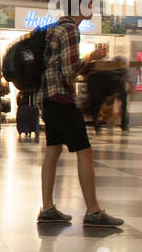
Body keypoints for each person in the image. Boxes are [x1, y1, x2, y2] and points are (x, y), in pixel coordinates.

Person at [35, 13, 122, 226]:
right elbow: (68, 70)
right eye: (90, 4)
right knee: (85, 151)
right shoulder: (70, 29)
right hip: (62, 98)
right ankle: (93, 212)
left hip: (46, 98)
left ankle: (47, 208)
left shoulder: (53, 27)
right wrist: (91, 58)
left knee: (53, 149)